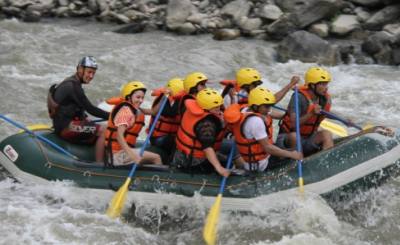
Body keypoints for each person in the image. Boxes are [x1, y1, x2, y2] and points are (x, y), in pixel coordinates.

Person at [224, 87, 303, 172]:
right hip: (261, 165)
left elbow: (274, 114)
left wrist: (288, 114)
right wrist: (292, 155)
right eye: (266, 107)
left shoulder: (245, 109)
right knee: (295, 153)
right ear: (255, 106)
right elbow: (268, 148)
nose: (269, 109)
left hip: (256, 159)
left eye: (270, 106)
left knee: (291, 146)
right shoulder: (255, 121)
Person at [47, 56, 109, 162]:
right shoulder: (73, 87)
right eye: (89, 72)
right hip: (66, 127)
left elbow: (74, 107)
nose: (91, 76)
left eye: (93, 73)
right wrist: (113, 115)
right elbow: (91, 109)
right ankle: (99, 165)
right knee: (104, 130)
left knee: (97, 125)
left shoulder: (72, 82)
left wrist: (85, 119)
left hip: (65, 124)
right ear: (80, 69)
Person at [172, 88, 230, 177]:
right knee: (228, 162)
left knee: (225, 155)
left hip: (182, 155)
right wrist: (219, 168)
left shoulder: (194, 110)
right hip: (194, 161)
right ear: (205, 106)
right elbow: (207, 148)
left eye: (219, 106)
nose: (218, 109)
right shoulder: (207, 123)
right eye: (215, 107)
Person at [277, 67, 334, 156]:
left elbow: (326, 114)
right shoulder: (298, 98)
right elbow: (293, 124)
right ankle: (296, 162)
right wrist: (311, 113)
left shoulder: (324, 99)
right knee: (295, 137)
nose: (326, 88)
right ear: (312, 85)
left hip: (308, 138)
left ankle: (325, 162)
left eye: (326, 84)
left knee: (326, 134)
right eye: (322, 85)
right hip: (287, 139)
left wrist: (346, 121)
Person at [103, 81, 162, 167]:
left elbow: (153, 112)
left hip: (120, 153)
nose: (141, 100)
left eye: (142, 98)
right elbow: (119, 136)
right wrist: (132, 155)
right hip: (116, 156)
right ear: (129, 97)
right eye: (138, 97)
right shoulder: (126, 111)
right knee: (156, 158)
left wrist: (164, 96)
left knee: (150, 157)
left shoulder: (133, 108)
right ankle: (159, 180)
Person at [148, 77, 184, 158]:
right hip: (159, 139)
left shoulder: (175, 102)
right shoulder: (164, 100)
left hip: (163, 137)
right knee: (177, 142)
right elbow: (170, 113)